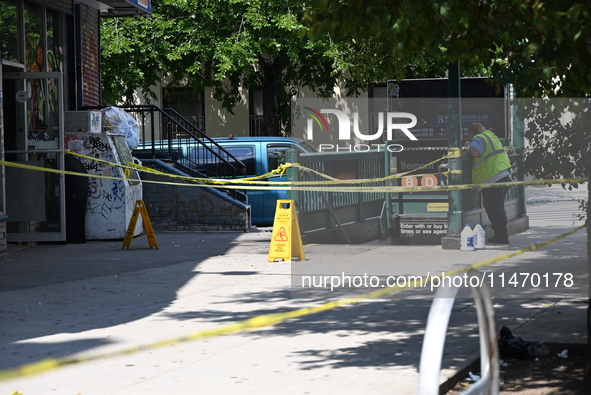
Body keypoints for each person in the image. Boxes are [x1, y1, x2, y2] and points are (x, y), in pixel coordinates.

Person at [466, 123, 512, 244]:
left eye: (469, 135)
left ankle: (501, 236)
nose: (469, 137)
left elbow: (475, 152)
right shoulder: (490, 135)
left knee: (494, 208)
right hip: (503, 173)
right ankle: (501, 234)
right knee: (497, 207)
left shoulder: (479, 138)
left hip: (492, 177)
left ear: (472, 133)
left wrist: (468, 147)